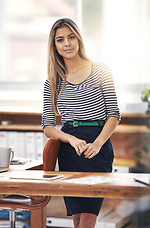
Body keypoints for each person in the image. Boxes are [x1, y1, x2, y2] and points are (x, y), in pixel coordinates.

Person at [42, 18, 121, 228]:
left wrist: (98, 144)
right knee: (77, 219)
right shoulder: (52, 80)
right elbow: (48, 126)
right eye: (60, 40)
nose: (67, 43)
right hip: (70, 150)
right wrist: (70, 139)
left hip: (97, 147)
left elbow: (114, 115)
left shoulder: (101, 70)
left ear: (78, 39)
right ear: (55, 46)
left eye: (71, 37)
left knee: (88, 219)